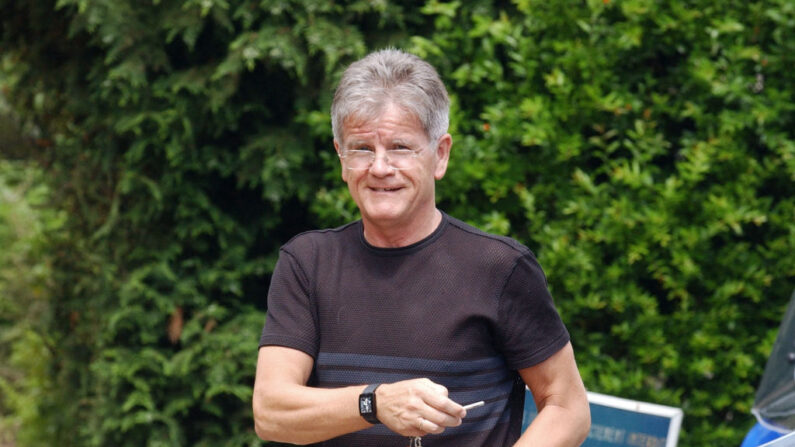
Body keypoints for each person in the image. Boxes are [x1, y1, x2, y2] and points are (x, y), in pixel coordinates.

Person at [253, 48, 590, 446]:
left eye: (400, 147)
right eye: (362, 148)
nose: (380, 167)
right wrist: (374, 404)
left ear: (440, 154)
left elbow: (567, 406)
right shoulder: (307, 264)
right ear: (341, 158)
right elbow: (271, 413)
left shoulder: (499, 267)